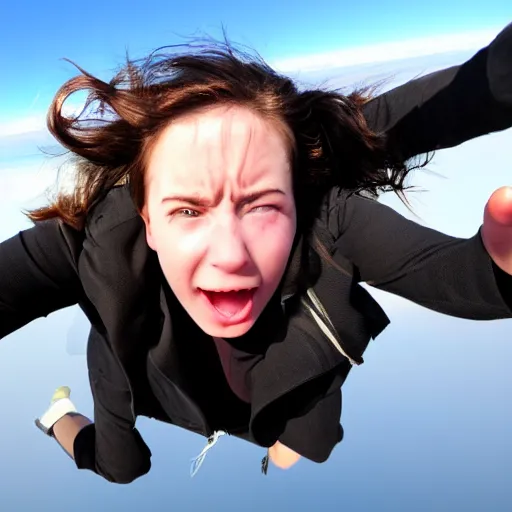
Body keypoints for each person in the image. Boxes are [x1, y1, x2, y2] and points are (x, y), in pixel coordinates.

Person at [1, 22, 511, 483]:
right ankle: (56, 418)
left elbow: (452, 275)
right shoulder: (98, 243)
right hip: (147, 383)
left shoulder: (326, 219)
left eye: (261, 206)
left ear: (295, 202)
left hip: (274, 387)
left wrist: (500, 264)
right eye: (188, 211)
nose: (230, 255)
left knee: (307, 447)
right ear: (147, 221)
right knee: (121, 467)